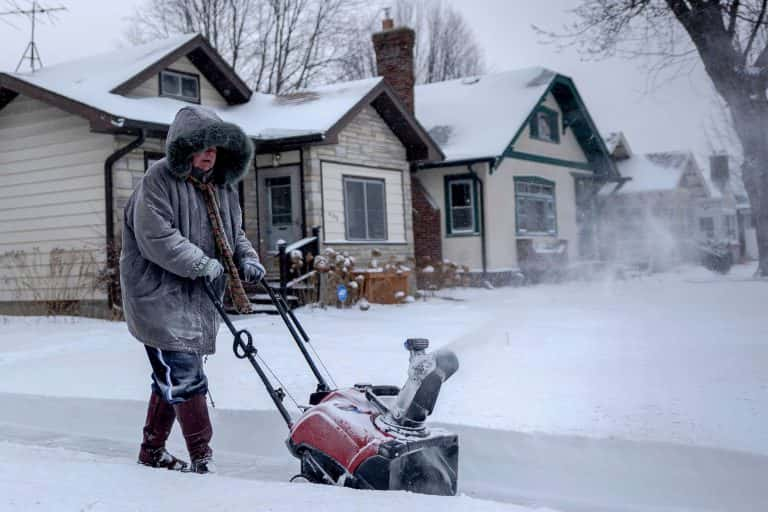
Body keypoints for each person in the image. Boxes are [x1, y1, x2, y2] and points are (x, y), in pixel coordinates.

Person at [120, 106, 266, 474]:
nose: (209, 153)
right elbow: (156, 236)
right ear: (184, 147)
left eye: (215, 147)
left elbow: (235, 236)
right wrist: (200, 263)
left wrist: (247, 259)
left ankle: (151, 452)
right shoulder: (158, 180)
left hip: (199, 299)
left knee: (171, 378)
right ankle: (203, 458)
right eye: (202, 146)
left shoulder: (222, 187)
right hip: (159, 298)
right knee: (185, 376)